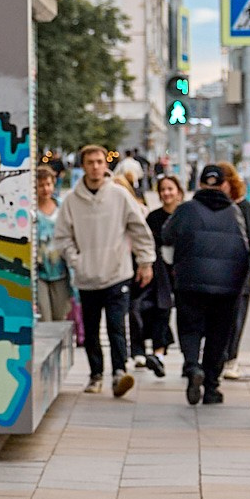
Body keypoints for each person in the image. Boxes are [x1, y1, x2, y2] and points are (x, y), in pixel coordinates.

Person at [59, 143, 155, 396]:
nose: (96, 167)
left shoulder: (119, 195)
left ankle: (119, 373)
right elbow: (63, 237)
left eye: (100, 162)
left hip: (117, 272)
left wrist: (145, 261)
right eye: (90, 162)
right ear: (83, 166)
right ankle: (96, 374)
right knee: (91, 329)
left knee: (116, 326)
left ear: (106, 165)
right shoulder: (71, 200)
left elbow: (139, 229)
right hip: (87, 275)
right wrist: (75, 259)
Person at [167, 163, 250, 406]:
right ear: (224, 184)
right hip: (228, 286)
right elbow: (248, 245)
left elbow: (167, 234)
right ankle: (212, 388)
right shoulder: (235, 212)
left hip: (190, 282)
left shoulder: (186, 210)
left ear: (201, 184)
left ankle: (194, 367)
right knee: (219, 335)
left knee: (190, 329)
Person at [132, 173, 182, 373]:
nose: (166, 193)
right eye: (163, 190)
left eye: (170, 189)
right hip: (159, 272)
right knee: (160, 310)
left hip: (183, 272)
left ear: (179, 192)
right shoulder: (153, 217)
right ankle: (157, 354)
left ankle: (182, 358)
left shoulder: (186, 214)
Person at [222, 162, 250, 380]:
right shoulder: (206, 206)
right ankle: (218, 357)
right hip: (213, 272)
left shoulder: (243, 207)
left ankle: (231, 358)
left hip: (238, 273)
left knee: (236, 319)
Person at [34, 164, 73, 327]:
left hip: (61, 268)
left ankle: (59, 352)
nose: (45, 189)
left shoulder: (62, 206)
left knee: (60, 315)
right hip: (39, 270)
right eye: (41, 185)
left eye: (48, 184)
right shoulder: (31, 210)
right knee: (44, 317)